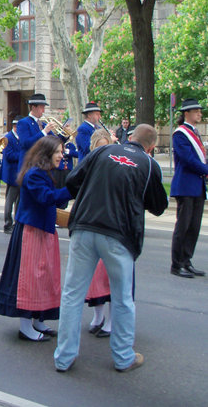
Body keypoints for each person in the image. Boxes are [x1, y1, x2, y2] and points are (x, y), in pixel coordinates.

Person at [54, 124, 168, 373]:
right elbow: (159, 206)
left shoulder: (101, 152)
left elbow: (73, 180)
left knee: (72, 294)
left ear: (130, 136)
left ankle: (64, 357)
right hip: (119, 235)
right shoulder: (148, 164)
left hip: (84, 227)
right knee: (122, 299)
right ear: (151, 147)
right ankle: (123, 357)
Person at [0, 135, 71, 341]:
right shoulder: (34, 175)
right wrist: (71, 189)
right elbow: (46, 198)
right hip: (31, 231)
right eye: (57, 152)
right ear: (46, 154)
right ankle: (25, 326)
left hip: (42, 230)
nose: (61, 155)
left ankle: (39, 320)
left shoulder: (43, 173)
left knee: (45, 277)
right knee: (29, 279)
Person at [169, 98, 208, 278]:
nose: (200, 114)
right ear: (187, 113)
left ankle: (187, 260)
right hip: (185, 186)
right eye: (196, 111)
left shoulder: (194, 132)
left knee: (194, 226)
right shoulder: (180, 134)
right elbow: (187, 159)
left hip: (197, 186)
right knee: (183, 226)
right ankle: (177, 264)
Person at [84, 128, 114, 338]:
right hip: (93, 222)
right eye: (99, 148)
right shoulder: (89, 165)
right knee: (95, 273)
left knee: (112, 275)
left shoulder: (117, 166)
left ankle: (112, 320)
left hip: (112, 225)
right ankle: (98, 315)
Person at [16, 93, 57, 173]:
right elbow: (26, 143)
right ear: (33, 107)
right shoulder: (23, 123)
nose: (43, 110)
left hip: (43, 165)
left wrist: (65, 135)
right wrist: (44, 131)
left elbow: (54, 142)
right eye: (41, 107)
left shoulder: (43, 124)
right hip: (29, 165)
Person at [1, 118, 21, 234]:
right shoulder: (8, 137)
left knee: (19, 201)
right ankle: (8, 224)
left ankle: (16, 223)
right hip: (12, 174)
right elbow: (9, 155)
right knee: (10, 200)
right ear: (15, 127)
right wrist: (23, 155)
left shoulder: (21, 137)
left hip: (20, 174)